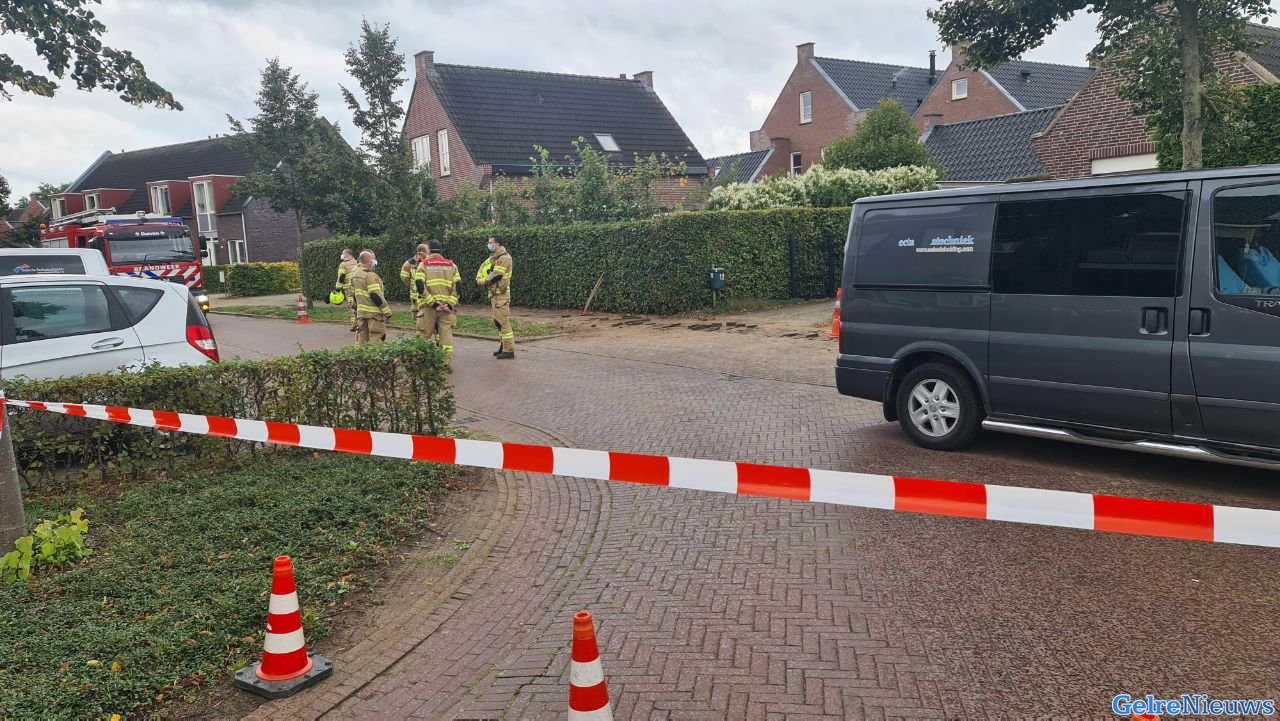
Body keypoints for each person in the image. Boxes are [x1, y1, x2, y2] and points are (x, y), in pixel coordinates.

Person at [414, 240, 462, 369]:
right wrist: (450, 305)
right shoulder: (452, 265)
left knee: (424, 334)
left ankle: (420, 361)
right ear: (441, 250)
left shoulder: (423, 264)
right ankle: (445, 361)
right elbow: (458, 287)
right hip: (446, 309)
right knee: (445, 334)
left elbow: (419, 285)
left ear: (429, 251)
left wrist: (433, 303)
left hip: (429, 308)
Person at [475, 234, 514, 359]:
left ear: (498, 244)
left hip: (501, 295)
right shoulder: (494, 257)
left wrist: (481, 281)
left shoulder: (504, 258)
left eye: (491, 242)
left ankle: (509, 350)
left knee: (503, 322)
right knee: (498, 322)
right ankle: (503, 346)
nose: (489, 245)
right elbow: (483, 266)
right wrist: (479, 276)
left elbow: (496, 275)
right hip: (495, 295)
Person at [350, 250, 393, 346]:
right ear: (369, 261)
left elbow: (353, 294)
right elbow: (376, 296)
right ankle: (375, 359)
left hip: (361, 313)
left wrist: (355, 308)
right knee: (376, 337)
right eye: (373, 259)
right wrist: (387, 313)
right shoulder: (370, 275)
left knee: (362, 338)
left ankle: (361, 358)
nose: (375, 261)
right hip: (374, 314)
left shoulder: (355, 275)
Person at [335, 248, 359, 331]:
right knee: (359, 304)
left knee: (351, 306)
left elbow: (341, 277)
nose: (342, 255)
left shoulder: (343, 264)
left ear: (347, 255)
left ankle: (354, 325)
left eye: (343, 253)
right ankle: (361, 323)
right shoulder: (357, 262)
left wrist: (337, 288)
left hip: (349, 288)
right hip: (358, 287)